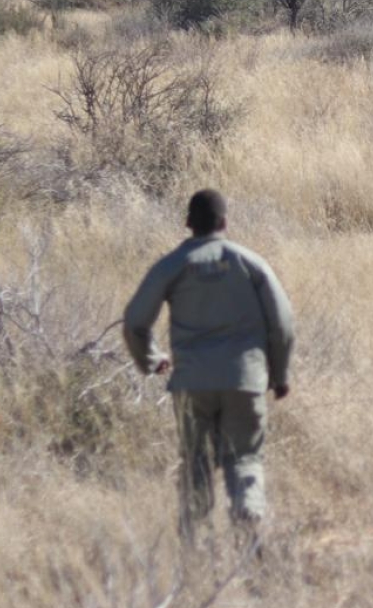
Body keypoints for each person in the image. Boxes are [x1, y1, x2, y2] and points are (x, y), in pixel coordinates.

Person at [123, 189, 295, 549]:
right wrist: (279, 375)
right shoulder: (251, 263)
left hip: (192, 383)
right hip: (245, 380)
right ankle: (248, 522)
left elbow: (135, 322)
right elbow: (282, 323)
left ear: (188, 223)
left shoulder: (172, 265)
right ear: (224, 222)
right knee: (244, 458)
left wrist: (151, 360)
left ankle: (196, 547)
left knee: (196, 463)